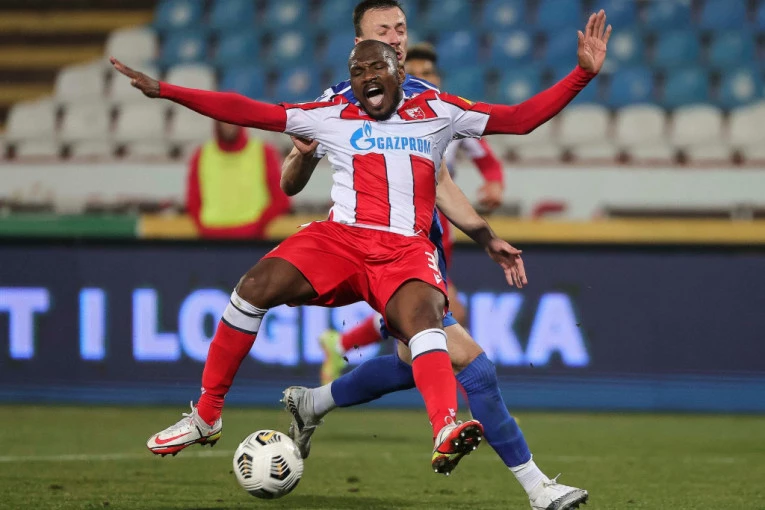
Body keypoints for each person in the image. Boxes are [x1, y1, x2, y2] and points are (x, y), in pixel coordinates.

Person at [110, 39, 535, 475]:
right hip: (347, 241)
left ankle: (426, 421)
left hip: (411, 245)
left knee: (423, 341)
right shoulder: (333, 107)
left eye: (389, 51)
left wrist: (486, 229)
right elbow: (249, 113)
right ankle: (208, 414)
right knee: (255, 288)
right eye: (360, 68)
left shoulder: (440, 110)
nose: (371, 72)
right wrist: (167, 91)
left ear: (399, 67)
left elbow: (502, 136)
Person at [279, 1, 610, 508]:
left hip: (423, 251)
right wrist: (301, 159)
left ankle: (313, 402)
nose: (395, 37)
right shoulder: (337, 104)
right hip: (380, 259)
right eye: (383, 29)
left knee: (411, 361)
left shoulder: (426, 101)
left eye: (400, 28)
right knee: (475, 369)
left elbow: (443, 181)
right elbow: (288, 182)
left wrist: (484, 235)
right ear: (359, 44)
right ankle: (538, 488)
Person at [318, 41, 506, 385]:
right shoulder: (391, 115)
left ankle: (342, 349)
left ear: (439, 77)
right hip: (402, 223)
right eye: (416, 73)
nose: (424, 78)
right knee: (440, 312)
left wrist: (494, 183)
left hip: (440, 222)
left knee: (421, 316)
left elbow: (487, 160)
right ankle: (465, 398)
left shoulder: (449, 114)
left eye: (428, 72)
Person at [186, 120, 290, 239]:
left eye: (231, 119)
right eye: (223, 120)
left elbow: (281, 199)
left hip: (251, 241)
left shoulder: (264, 152)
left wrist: (258, 226)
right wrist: (203, 228)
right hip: (211, 239)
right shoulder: (201, 154)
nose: (228, 125)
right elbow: (193, 200)